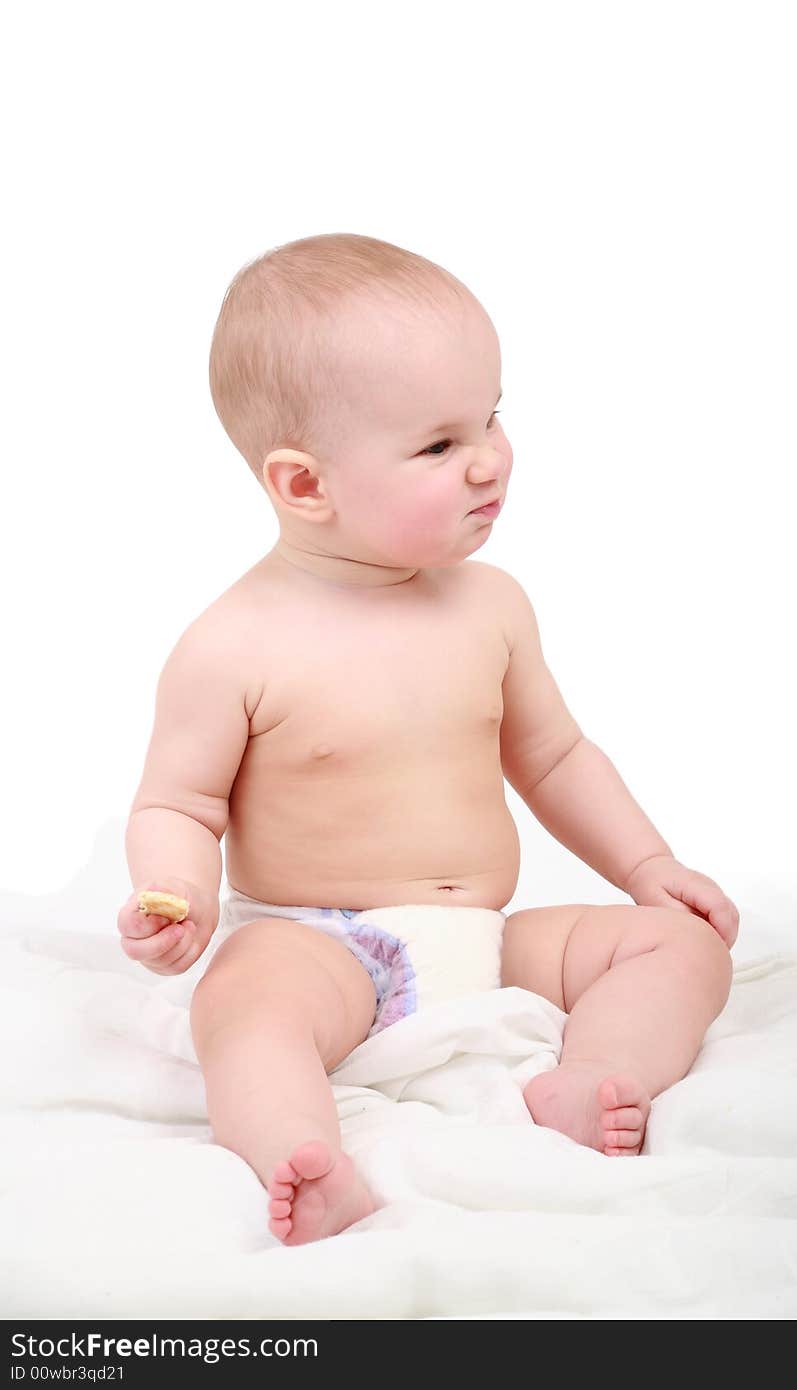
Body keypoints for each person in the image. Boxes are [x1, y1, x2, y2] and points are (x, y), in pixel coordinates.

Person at [118, 233, 738, 1246]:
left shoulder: (490, 605)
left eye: (491, 415)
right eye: (439, 445)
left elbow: (554, 756)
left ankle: (588, 1078)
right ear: (305, 484)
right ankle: (301, 1156)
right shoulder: (232, 644)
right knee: (243, 1011)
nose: (489, 457)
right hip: (320, 945)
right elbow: (179, 802)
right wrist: (176, 893)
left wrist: (647, 864)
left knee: (679, 946)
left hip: (486, 940)